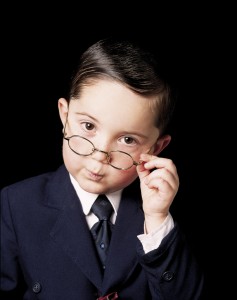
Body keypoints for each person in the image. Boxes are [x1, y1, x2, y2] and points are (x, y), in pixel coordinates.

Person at [1, 37, 205, 299]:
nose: (99, 158)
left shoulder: (165, 214)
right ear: (65, 116)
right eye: (88, 127)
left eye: (127, 140)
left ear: (155, 148)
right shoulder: (15, 204)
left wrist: (157, 221)